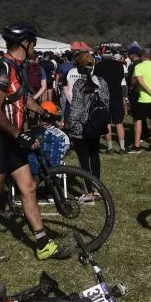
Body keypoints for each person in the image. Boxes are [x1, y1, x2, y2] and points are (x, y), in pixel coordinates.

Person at [0, 22, 72, 262]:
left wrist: (43, 111)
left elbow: (21, 97)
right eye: (33, 43)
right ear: (25, 43)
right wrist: (19, 135)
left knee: (28, 187)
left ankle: (42, 243)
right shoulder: (2, 69)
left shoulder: (17, 67)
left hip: (11, 135)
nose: (35, 47)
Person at [64, 52, 108, 202]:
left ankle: (89, 192)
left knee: (84, 159)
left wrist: (70, 124)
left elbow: (76, 107)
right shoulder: (101, 81)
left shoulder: (79, 84)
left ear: (79, 67)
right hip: (96, 124)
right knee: (94, 156)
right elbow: (106, 102)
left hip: (81, 127)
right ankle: (97, 189)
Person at [130, 48, 151, 153]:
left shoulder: (139, 67)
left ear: (142, 56)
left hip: (143, 99)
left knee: (138, 121)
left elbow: (140, 82)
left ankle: (137, 145)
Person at [95, 49, 126, 154]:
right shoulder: (119, 65)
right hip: (117, 95)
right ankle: (122, 148)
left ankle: (110, 148)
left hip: (104, 96)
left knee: (107, 122)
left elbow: (96, 80)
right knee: (119, 122)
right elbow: (121, 78)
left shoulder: (98, 66)